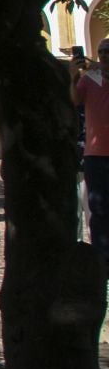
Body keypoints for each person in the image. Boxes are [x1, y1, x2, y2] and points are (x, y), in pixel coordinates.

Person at [73, 38, 109, 268]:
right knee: (98, 208)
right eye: (101, 52)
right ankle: (101, 258)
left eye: (108, 52)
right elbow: (74, 100)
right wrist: (72, 75)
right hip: (95, 154)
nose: (105, 56)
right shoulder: (89, 80)